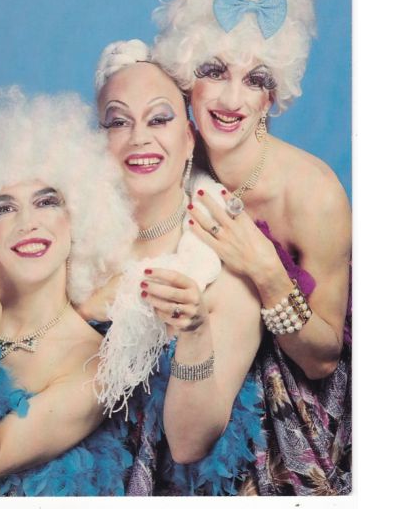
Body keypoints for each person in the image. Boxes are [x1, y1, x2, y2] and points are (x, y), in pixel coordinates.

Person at [151, 0, 352, 495]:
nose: (231, 99)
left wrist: (264, 268)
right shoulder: (168, 155)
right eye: (214, 70)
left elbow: (323, 361)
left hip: (292, 408)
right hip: (186, 374)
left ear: (272, 95)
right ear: (186, 77)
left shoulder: (313, 194)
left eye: (255, 79)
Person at [81, 39, 265, 496]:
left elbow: (188, 445)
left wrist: (196, 331)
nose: (139, 137)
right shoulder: (67, 244)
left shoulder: (223, 271)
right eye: (118, 121)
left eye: (159, 118)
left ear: (188, 140)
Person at [0, 89, 137, 496]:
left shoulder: (96, 368)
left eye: (46, 202)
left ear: (78, 219)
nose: (27, 223)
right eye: (4, 208)